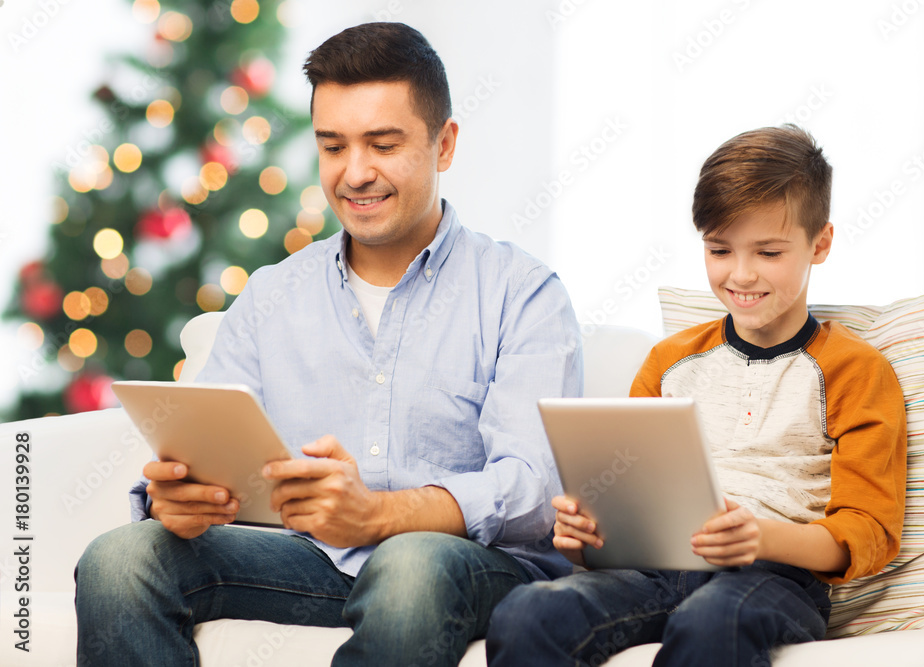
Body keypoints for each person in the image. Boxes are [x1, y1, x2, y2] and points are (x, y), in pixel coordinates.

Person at [75, 22, 582, 667]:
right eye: (333, 146)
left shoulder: (523, 291)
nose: (356, 173)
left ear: (444, 143)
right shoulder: (271, 295)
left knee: (410, 565)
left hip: (467, 567)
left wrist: (378, 515)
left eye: (383, 144)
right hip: (307, 558)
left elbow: (533, 488)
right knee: (121, 559)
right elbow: (205, 449)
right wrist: (181, 498)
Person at [485, 125, 908, 667]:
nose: (741, 273)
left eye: (769, 251)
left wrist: (761, 538)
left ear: (819, 243)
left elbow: (867, 532)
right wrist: (581, 539)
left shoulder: (856, 370)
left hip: (769, 578)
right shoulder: (669, 362)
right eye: (719, 249)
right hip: (651, 571)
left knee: (711, 623)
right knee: (527, 612)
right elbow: (622, 516)